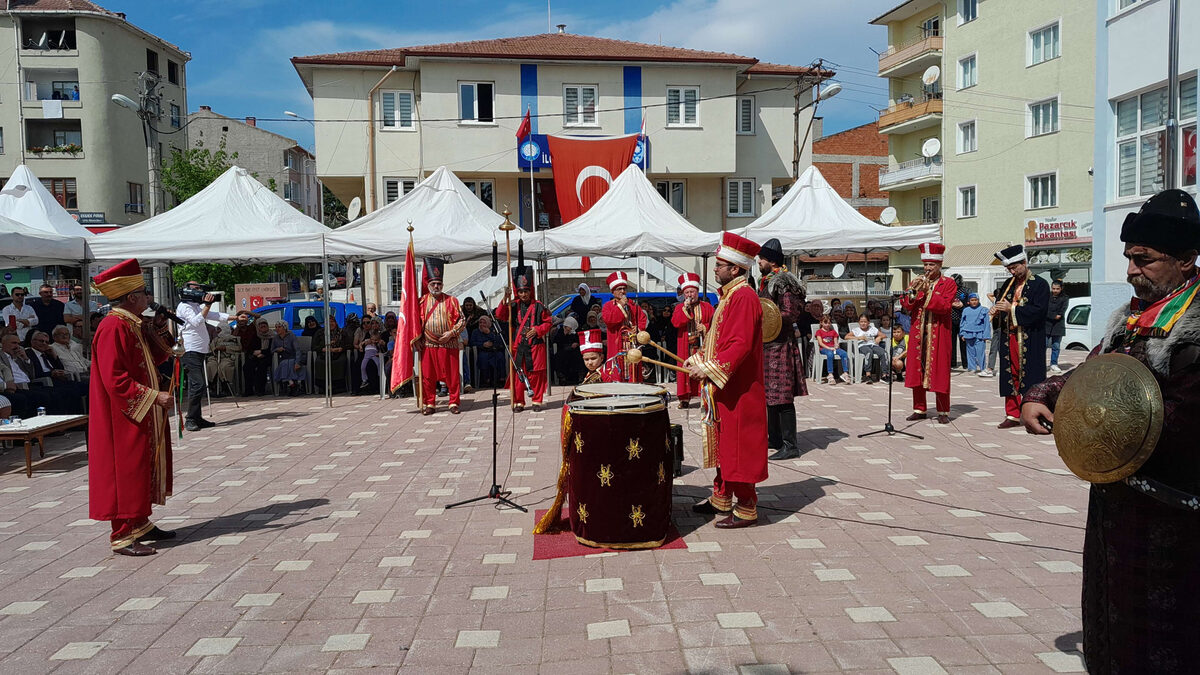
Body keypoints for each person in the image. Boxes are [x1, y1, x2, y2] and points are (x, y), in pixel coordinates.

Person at [1021, 189, 1200, 671]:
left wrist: (1104, 431)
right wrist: (1041, 393)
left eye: (1144, 260)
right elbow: (1092, 375)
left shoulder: (1194, 329)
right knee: (1111, 619)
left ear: (1185, 260)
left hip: (1176, 513)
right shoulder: (1131, 320)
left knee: (1170, 634)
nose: (1130, 272)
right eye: (1128, 259)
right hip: (1115, 505)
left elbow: (1182, 419)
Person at [86, 258, 176, 556]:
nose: (148, 298)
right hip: (123, 415)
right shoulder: (113, 326)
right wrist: (153, 397)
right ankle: (122, 535)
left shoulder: (133, 324)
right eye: (143, 292)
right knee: (125, 470)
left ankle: (140, 522)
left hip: (139, 413)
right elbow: (114, 379)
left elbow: (157, 358)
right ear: (132, 298)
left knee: (140, 468)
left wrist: (160, 328)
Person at [686, 232, 768, 528]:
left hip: (740, 389)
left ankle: (747, 506)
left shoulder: (744, 297)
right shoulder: (731, 295)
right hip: (727, 386)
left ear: (735, 269)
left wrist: (709, 369)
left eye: (720, 264)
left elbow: (739, 345)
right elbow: (721, 340)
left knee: (739, 446)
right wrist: (698, 360)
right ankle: (721, 496)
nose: (715, 269)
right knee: (725, 443)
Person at [755, 240, 808, 459]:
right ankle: (774, 438)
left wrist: (767, 316)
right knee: (770, 394)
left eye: (762, 259)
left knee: (783, 396)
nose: (758, 262)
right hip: (768, 344)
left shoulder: (785, 283)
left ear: (772, 261)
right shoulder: (767, 281)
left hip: (781, 344)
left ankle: (790, 444)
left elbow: (790, 312)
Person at [990, 244, 1049, 429]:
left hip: (1030, 338)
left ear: (1024, 262)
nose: (1012, 272)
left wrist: (1012, 309)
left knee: (1031, 375)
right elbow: (1001, 304)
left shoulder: (1040, 284)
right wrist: (997, 312)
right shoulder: (1008, 284)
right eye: (1009, 269)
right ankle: (1012, 414)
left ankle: (1034, 412)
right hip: (1010, 338)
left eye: (1014, 267)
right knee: (1011, 374)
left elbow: (1039, 312)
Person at [900, 242, 957, 424]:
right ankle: (919, 408)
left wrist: (927, 292)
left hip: (939, 332)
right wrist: (912, 292)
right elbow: (907, 305)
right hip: (919, 332)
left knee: (939, 371)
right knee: (917, 370)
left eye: (931, 265)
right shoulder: (916, 281)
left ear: (939, 265)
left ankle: (942, 411)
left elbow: (945, 307)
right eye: (925, 265)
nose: (927, 268)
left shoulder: (948, 283)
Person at [494, 270, 551, 411]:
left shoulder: (539, 305)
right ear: (517, 292)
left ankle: (537, 401)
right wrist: (505, 298)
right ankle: (518, 402)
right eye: (520, 291)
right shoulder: (513, 305)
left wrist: (537, 330)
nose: (523, 294)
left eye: (526, 291)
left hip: (535, 345)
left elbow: (548, 322)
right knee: (518, 374)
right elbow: (500, 315)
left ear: (530, 290)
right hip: (518, 345)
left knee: (536, 374)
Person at [176, 281, 227, 431]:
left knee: (197, 385)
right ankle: (190, 418)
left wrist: (236, 318)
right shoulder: (184, 306)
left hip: (199, 350)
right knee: (197, 384)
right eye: (196, 288)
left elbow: (215, 315)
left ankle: (197, 418)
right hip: (189, 350)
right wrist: (207, 305)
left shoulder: (196, 306)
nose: (199, 291)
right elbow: (197, 321)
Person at [416, 258, 464, 414]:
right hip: (428, 344)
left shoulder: (452, 301)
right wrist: (416, 339)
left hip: (448, 343)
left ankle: (454, 402)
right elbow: (415, 323)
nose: (436, 286)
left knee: (452, 375)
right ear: (428, 285)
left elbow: (462, 320)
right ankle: (430, 403)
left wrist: (452, 333)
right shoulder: (421, 302)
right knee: (428, 376)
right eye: (433, 284)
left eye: (439, 284)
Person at [670, 273, 714, 409]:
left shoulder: (707, 306)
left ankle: (704, 395)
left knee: (702, 369)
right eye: (687, 292)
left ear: (697, 292)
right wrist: (685, 309)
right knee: (684, 372)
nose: (690, 295)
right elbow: (676, 323)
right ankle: (684, 398)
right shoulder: (679, 308)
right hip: (685, 344)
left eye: (692, 292)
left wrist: (705, 327)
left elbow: (715, 324)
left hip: (701, 345)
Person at [601, 271, 648, 381]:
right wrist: (621, 305)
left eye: (624, 288)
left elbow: (642, 319)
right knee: (617, 368)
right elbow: (609, 320)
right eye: (619, 289)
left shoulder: (633, 305)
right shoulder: (608, 306)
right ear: (613, 292)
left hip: (632, 343)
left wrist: (638, 329)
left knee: (633, 369)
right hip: (617, 343)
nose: (622, 291)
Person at [847, 314, 887, 384]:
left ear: (868, 322)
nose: (863, 323)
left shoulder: (872, 329)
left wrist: (879, 337)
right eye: (861, 322)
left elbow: (884, 335)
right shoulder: (856, 330)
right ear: (859, 322)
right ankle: (868, 375)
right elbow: (846, 337)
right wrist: (858, 338)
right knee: (869, 352)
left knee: (884, 353)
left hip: (873, 345)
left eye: (865, 322)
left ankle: (884, 375)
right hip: (862, 346)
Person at [205, 322, 241, 397]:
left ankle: (226, 388)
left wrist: (225, 348)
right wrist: (215, 349)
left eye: (219, 329)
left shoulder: (234, 339)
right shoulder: (215, 340)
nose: (217, 331)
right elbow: (210, 348)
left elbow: (238, 348)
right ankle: (213, 387)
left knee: (224, 366)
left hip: (227, 357)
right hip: (216, 357)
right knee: (211, 365)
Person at [469, 316, 506, 389]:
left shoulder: (493, 330)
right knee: (484, 358)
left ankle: (499, 380)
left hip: (494, 350)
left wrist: (489, 333)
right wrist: (482, 344)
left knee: (500, 357)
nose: (482, 324)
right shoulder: (476, 332)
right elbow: (472, 343)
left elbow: (500, 342)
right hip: (482, 351)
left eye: (484, 322)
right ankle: (486, 380)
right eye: (480, 322)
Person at [271, 321, 306, 396]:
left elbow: (297, 350)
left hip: (294, 357)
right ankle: (293, 385)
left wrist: (297, 362)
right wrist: (277, 349)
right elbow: (271, 350)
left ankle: (292, 385)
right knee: (284, 363)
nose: (277, 329)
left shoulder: (291, 336)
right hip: (283, 358)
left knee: (288, 363)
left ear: (284, 328)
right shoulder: (275, 338)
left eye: (279, 327)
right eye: (276, 327)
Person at [959, 293, 991, 374]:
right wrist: (962, 333)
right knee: (970, 352)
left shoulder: (984, 310)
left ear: (978, 300)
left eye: (976, 300)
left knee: (980, 352)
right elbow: (963, 322)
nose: (974, 302)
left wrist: (986, 335)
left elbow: (987, 324)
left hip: (980, 334)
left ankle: (983, 368)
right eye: (972, 300)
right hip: (968, 333)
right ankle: (972, 367)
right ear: (969, 301)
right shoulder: (965, 310)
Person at [815, 315, 850, 384]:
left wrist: (836, 345)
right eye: (825, 323)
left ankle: (845, 373)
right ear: (821, 323)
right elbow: (820, 343)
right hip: (824, 348)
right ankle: (830, 374)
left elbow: (835, 341)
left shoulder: (833, 332)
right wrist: (829, 348)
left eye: (829, 323)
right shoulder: (819, 332)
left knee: (844, 353)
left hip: (833, 348)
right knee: (830, 354)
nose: (827, 325)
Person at [242, 318, 272, 396]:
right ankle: (249, 390)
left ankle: (260, 390)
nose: (263, 327)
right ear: (258, 327)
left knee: (262, 366)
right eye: (261, 326)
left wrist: (262, 352)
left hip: (268, 356)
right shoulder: (255, 336)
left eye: (264, 325)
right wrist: (255, 353)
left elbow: (272, 349)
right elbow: (250, 348)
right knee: (247, 366)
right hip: (256, 356)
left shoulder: (272, 336)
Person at [1045, 279, 1068, 374]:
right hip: (1046, 325)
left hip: (1058, 326)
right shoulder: (1046, 296)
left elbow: (1060, 313)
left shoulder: (1065, 298)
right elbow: (1043, 310)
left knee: (1056, 346)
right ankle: (1041, 364)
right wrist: (1051, 315)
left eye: (1057, 289)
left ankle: (1054, 364)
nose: (1055, 290)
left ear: (1061, 288)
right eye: (1053, 288)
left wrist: (1051, 314)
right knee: (1043, 346)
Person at [948, 274, 967, 370]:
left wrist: (962, 305)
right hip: (951, 319)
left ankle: (965, 363)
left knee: (964, 341)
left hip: (963, 320)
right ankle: (952, 362)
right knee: (951, 342)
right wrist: (951, 304)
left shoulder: (965, 290)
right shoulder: (948, 290)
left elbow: (971, 302)